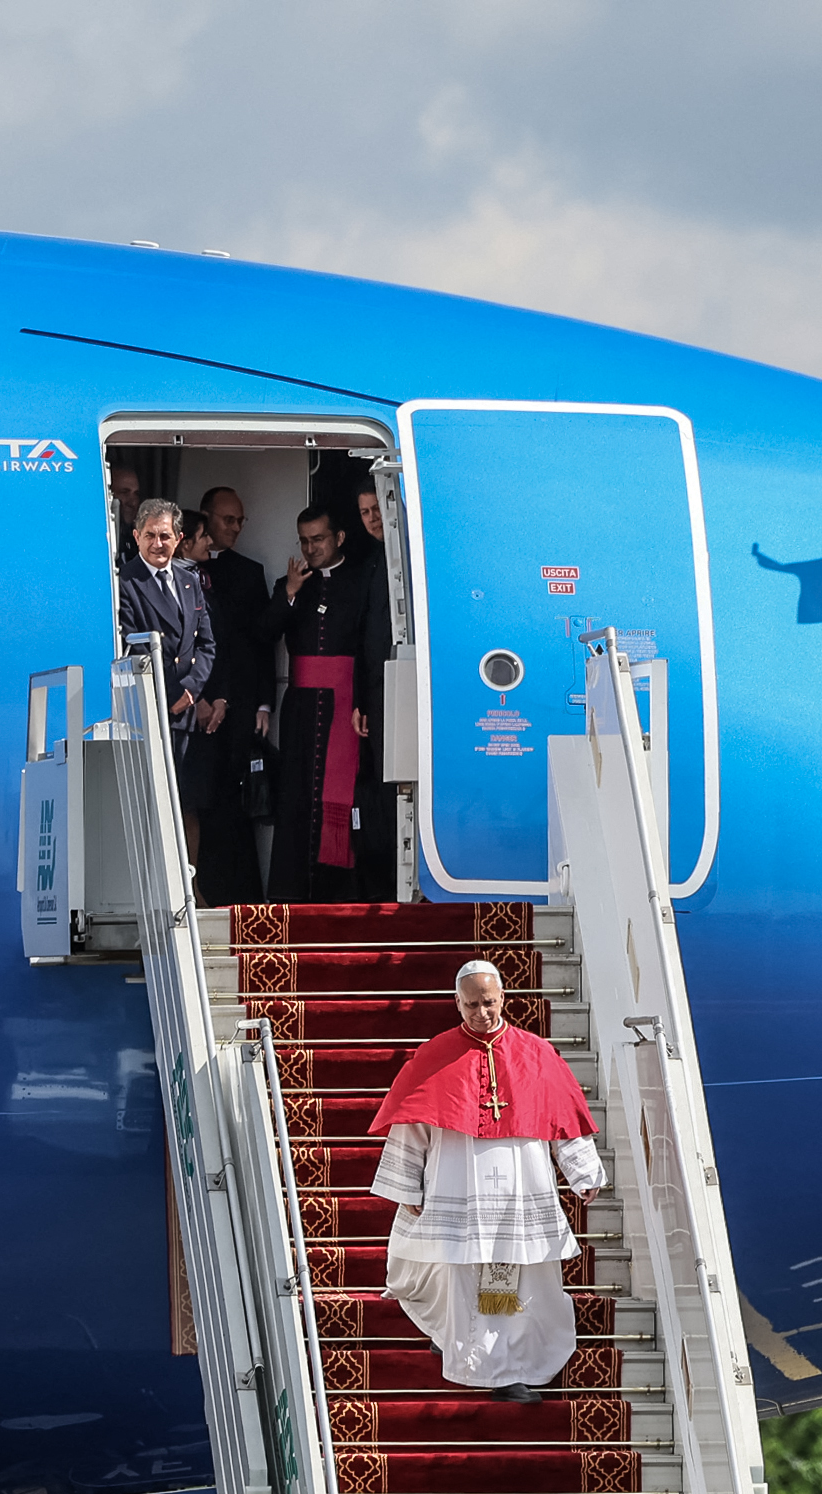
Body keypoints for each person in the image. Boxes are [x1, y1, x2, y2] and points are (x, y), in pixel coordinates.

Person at [370, 960, 605, 1402]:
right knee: (463, 1277)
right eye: (473, 1004)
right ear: (457, 1004)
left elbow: (562, 1117)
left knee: (517, 1278)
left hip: (522, 1187)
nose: (482, 1013)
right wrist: (408, 1187)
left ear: (504, 999)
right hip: (457, 1185)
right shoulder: (436, 1055)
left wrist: (582, 1171)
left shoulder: (536, 1053)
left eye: (490, 1002)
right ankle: (491, 1369)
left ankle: (514, 1363)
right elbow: (413, 1124)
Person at [259, 505, 388, 899]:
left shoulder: (363, 579)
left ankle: (341, 894)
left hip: (345, 706)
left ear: (339, 538)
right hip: (301, 707)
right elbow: (263, 633)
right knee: (297, 796)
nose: (311, 548)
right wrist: (290, 593)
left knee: (346, 795)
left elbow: (371, 646)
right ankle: (293, 892)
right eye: (304, 540)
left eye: (318, 539)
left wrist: (365, 700)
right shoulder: (291, 583)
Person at [117, 500, 217, 854]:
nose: (157, 544)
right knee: (153, 803)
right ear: (136, 537)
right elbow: (132, 642)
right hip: (150, 710)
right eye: (149, 536)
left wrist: (190, 692)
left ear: (178, 539)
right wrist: (169, 693)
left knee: (187, 804)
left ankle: (190, 881)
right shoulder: (125, 581)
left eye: (164, 536)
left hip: (184, 712)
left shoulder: (190, 582)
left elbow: (206, 644)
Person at [193, 487, 274, 903]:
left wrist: (264, 701)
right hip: (194, 705)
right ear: (205, 520)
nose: (236, 528)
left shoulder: (249, 571)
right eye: (228, 520)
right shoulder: (184, 574)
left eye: (241, 520)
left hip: (238, 704)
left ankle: (240, 895)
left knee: (236, 801)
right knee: (199, 801)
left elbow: (261, 641)